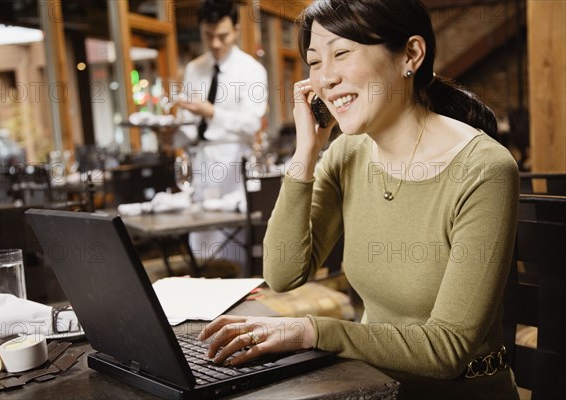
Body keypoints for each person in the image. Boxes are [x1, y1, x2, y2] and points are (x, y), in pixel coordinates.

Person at [198, 1, 520, 399]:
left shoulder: (484, 168)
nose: (325, 78)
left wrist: (314, 330)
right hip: (367, 386)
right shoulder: (347, 153)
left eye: (342, 53)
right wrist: (306, 154)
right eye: (314, 61)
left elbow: (447, 348)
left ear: (411, 55)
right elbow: (283, 274)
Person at [172, 0, 268, 268]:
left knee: (232, 247)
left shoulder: (251, 71)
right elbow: (190, 126)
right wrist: (171, 135)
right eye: (208, 36)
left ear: (236, 29)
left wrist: (211, 112)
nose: (215, 44)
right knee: (200, 245)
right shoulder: (194, 68)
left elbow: (251, 124)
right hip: (202, 164)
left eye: (222, 36)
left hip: (233, 167)